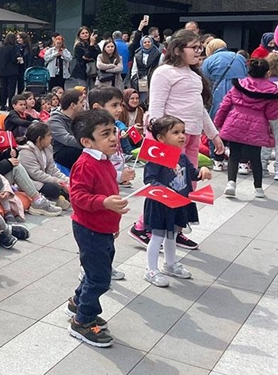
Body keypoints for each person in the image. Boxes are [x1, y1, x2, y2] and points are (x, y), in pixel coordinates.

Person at [133, 30, 225, 249]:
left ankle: (176, 229)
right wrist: (158, 139)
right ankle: (142, 226)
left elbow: (200, 110)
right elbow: (155, 106)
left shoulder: (194, 76)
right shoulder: (164, 72)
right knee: (166, 187)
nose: (199, 51)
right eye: (194, 48)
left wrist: (214, 135)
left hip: (190, 137)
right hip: (169, 139)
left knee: (187, 185)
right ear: (177, 49)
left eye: (200, 48)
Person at [66, 109, 129, 348]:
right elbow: (78, 197)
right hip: (89, 229)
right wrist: (104, 203)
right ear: (87, 141)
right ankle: (82, 321)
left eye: (113, 131)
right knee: (100, 278)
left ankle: (77, 302)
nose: (114, 137)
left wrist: (112, 221)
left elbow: (107, 190)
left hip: (103, 228)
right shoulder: (85, 164)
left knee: (95, 271)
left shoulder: (104, 160)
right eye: (106, 134)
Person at [141, 116, 210, 287]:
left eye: (183, 132)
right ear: (161, 138)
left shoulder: (182, 156)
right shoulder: (157, 157)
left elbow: (191, 174)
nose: (182, 136)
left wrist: (202, 171)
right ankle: (151, 269)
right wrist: (164, 190)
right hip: (159, 204)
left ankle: (170, 264)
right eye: (176, 132)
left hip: (177, 203)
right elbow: (149, 179)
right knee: (157, 237)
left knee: (172, 236)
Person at [214, 58, 278, 198]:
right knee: (255, 156)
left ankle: (231, 183)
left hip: (235, 122)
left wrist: (218, 124)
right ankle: (258, 188)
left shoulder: (239, 84)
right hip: (258, 124)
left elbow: (224, 105)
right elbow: (272, 114)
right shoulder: (272, 90)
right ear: (267, 73)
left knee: (234, 154)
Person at [17, 122, 71, 209]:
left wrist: (66, 180)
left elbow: (52, 169)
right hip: (32, 182)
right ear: (39, 138)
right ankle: (49, 201)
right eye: (49, 135)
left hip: (45, 180)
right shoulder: (26, 152)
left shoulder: (47, 148)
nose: (51, 138)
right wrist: (58, 182)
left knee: (69, 186)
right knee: (53, 190)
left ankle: (59, 199)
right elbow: (36, 174)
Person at [201, 38, 248, 121]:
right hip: (241, 89)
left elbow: (205, 81)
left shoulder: (208, 60)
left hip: (219, 90)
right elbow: (246, 73)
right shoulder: (239, 57)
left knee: (218, 116)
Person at [50, 89, 86, 169]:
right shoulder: (54, 120)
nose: (83, 104)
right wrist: (89, 144)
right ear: (73, 105)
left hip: (77, 147)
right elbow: (67, 139)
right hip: (60, 153)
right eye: (81, 102)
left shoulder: (80, 117)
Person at [131, 35, 162, 104]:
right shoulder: (137, 54)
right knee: (142, 98)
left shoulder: (159, 54)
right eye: (145, 42)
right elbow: (134, 68)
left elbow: (161, 67)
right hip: (141, 79)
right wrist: (134, 78)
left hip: (153, 78)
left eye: (149, 42)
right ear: (142, 44)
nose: (147, 44)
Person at [0, 33, 20, 110]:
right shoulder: (13, 47)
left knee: (3, 88)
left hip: (2, 70)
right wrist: (18, 59)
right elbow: (13, 59)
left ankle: (2, 105)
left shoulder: (1, 47)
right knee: (11, 88)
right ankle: (10, 105)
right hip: (11, 70)